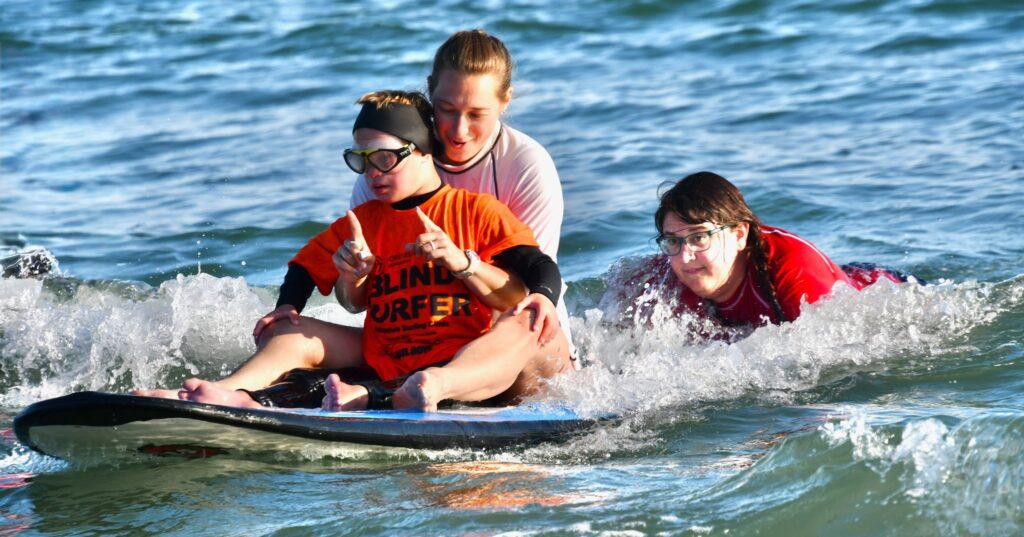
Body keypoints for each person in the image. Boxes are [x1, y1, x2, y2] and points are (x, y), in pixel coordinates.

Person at [136, 90, 572, 411]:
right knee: (289, 332)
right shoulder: (362, 221)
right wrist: (289, 305)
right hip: (386, 357)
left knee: (525, 321)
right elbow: (304, 266)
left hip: (460, 362)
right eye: (361, 158)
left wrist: (532, 293)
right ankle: (229, 395)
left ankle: (424, 389)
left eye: (384, 158)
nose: (372, 171)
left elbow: (536, 264)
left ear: (423, 151)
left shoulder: (475, 211)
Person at [348, 29, 571, 349]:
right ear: (429, 91)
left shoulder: (526, 165)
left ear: (505, 101)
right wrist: (354, 274)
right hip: (417, 340)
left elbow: (526, 293)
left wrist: (461, 263)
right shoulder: (385, 167)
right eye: (447, 109)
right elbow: (363, 300)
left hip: (518, 338)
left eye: (476, 114)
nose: (459, 130)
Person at [636, 171, 914, 328]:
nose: (685, 256)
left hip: (887, 289)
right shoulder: (666, 276)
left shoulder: (792, 267)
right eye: (673, 240)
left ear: (739, 234)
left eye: (699, 238)